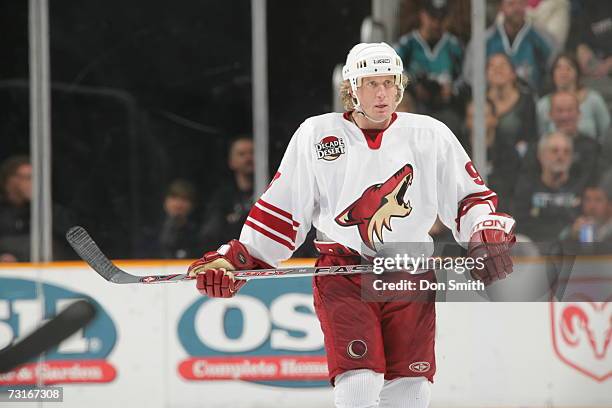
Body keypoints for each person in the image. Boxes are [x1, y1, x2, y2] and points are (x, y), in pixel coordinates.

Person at [187, 43, 516, 408]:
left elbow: (468, 199)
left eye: (389, 83)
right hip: (343, 273)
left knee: (410, 389)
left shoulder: (430, 135)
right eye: (371, 83)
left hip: (408, 271)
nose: (381, 93)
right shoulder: (317, 135)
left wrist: (484, 234)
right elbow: (283, 210)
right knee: (359, 381)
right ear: (351, 88)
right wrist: (237, 259)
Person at [395, 0, 464, 133]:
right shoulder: (407, 44)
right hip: (415, 105)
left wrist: (452, 89)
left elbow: (465, 77)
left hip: (446, 108)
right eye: (432, 17)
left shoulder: (455, 46)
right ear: (423, 15)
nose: (437, 23)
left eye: (442, 18)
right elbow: (393, 72)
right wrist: (413, 86)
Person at [463, 0, 555, 93]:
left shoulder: (543, 39)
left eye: (521, 3)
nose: (517, 8)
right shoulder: (483, 41)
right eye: (511, 4)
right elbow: (470, 75)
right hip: (492, 101)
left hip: (533, 102)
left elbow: (555, 72)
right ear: (500, 7)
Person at [513, 132, 584, 241]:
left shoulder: (580, 189)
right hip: (535, 249)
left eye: (566, 152)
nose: (561, 156)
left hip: (572, 250)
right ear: (540, 156)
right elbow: (520, 225)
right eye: (554, 151)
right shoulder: (526, 188)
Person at [537, 53, 610, 141]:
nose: (563, 72)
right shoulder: (543, 104)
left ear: (577, 72)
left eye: (568, 68)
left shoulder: (594, 99)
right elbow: (540, 137)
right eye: (558, 68)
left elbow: (607, 133)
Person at [486, 53, 537, 159]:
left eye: (503, 65)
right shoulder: (478, 101)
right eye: (492, 66)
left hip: (517, 160)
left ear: (513, 73)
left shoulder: (527, 101)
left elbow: (531, 137)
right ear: (486, 74)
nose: (497, 69)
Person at [137, 179, 199, 259]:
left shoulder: (198, 234)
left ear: (192, 204)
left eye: (184, 199)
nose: (178, 204)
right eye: (174, 198)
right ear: (165, 201)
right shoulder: (149, 231)